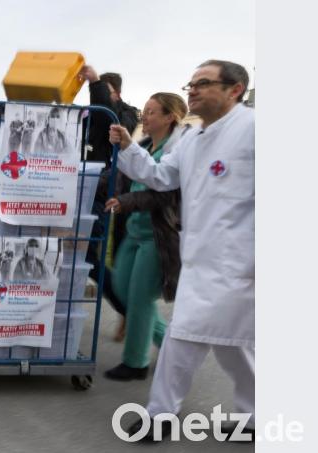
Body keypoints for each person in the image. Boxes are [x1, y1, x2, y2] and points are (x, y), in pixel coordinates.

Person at [109, 60, 254, 440]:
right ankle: (254, 415)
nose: (192, 90)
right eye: (190, 84)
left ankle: (160, 416)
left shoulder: (254, 129)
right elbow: (160, 177)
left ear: (234, 89)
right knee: (231, 345)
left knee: (193, 338)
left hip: (242, 265)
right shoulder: (191, 140)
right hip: (199, 259)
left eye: (203, 83)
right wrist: (128, 147)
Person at [102, 93, 189, 382]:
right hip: (134, 230)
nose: (145, 116)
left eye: (152, 112)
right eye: (145, 111)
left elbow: (164, 193)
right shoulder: (144, 145)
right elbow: (121, 175)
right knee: (121, 287)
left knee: (140, 298)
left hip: (157, 235)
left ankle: (135, 362)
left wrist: (126, 201)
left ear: (169, 117)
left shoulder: (177, 151)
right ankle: (171, 349)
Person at [77, 66, 140, 340]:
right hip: (77, 189)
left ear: (117, 93)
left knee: (89, 257)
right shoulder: (89, 113)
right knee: (77, 255)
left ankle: (131, 310)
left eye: (105, 90)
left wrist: (95, 82)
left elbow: (110, 124)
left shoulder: (126, 114)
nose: (98, 94)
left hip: (100, 193)